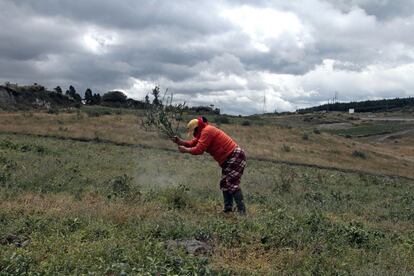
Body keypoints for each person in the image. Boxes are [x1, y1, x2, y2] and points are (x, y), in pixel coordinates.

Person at [172, 116, 247, 214]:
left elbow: (199, 150)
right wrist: (179, 141)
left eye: (194, 132)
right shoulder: (203, 132)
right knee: (225, 184)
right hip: (230, 158)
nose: (194, 135)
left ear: (197, 128)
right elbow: (192, 143)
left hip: (234, 156)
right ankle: (228, 210)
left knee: (232, 184)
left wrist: (185, 150)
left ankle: (242, 212)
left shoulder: (207, 131)